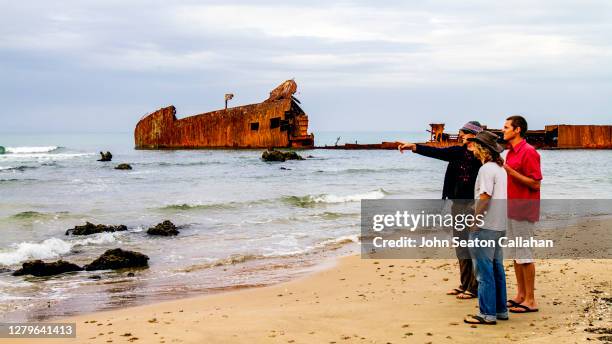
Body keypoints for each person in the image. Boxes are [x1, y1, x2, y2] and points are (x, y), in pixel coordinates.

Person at [397, 121, 482, 300]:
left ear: (472, 134)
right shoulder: (457, 151)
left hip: (474, 205)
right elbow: (436, 152)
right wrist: (414, 146)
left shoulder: (481, 155)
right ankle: (465, 283)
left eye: (463, 133)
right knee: (461, 245)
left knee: (473, 246)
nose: (460, 135)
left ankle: (475, 287)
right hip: (458, 204)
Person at [463, 130, 508, 325]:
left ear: (482, 149)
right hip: (499, 224)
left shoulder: (486, 169)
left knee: (483, 271)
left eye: (474, 146)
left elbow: (485, 197)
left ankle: (487, 313)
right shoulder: (500, 169)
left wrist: (474, 221)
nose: (472, 149)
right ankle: (500, 310)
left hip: (485, 226)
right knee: (496, 267)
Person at [502, 115, 542, 314]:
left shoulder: (529, 152)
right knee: (516, 254)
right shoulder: (510, 152)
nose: (503, 130)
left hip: (525, 209)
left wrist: (509, 171)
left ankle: (531, 300)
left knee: (524, 254)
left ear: (517, 130)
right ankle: (520, 295)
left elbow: (535, 183)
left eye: (506, 127)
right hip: (511, 207)